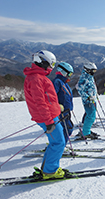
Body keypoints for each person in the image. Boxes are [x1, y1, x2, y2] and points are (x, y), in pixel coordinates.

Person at [23, 50, 66, 179]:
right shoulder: (36, 79)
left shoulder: (38, 77)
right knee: (58, 143)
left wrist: (57, 108)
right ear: (43, 62)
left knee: (55, 142)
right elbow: (40, 102)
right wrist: (49, 121)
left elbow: (47, 99)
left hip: (49, 115)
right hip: (47, 118)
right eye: (51, 64)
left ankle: (47, 167)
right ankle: (50, 171)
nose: (51, 68)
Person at [52, 62, 74, 144]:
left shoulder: (64, 82)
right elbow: (52, 97)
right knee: (67, 128)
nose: (70, 75)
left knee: (67, 128)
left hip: (66, 111)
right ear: (64, 72)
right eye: (70, 73)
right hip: (61, 112)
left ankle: (61, 145)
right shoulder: (57, 82)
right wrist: (58, 106)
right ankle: (60, 145)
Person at [76, 62, 99, 140]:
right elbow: (79, 89)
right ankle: (85, 133)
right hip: (88, 101)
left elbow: (93, 87)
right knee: (91, 116)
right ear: (88, 70)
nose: (94, 73)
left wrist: (95, 95)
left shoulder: (89, 77)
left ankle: (87, 130)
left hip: (92, 99)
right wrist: (88, 97)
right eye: (93, 71)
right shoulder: (84, 78)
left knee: (92, 115)